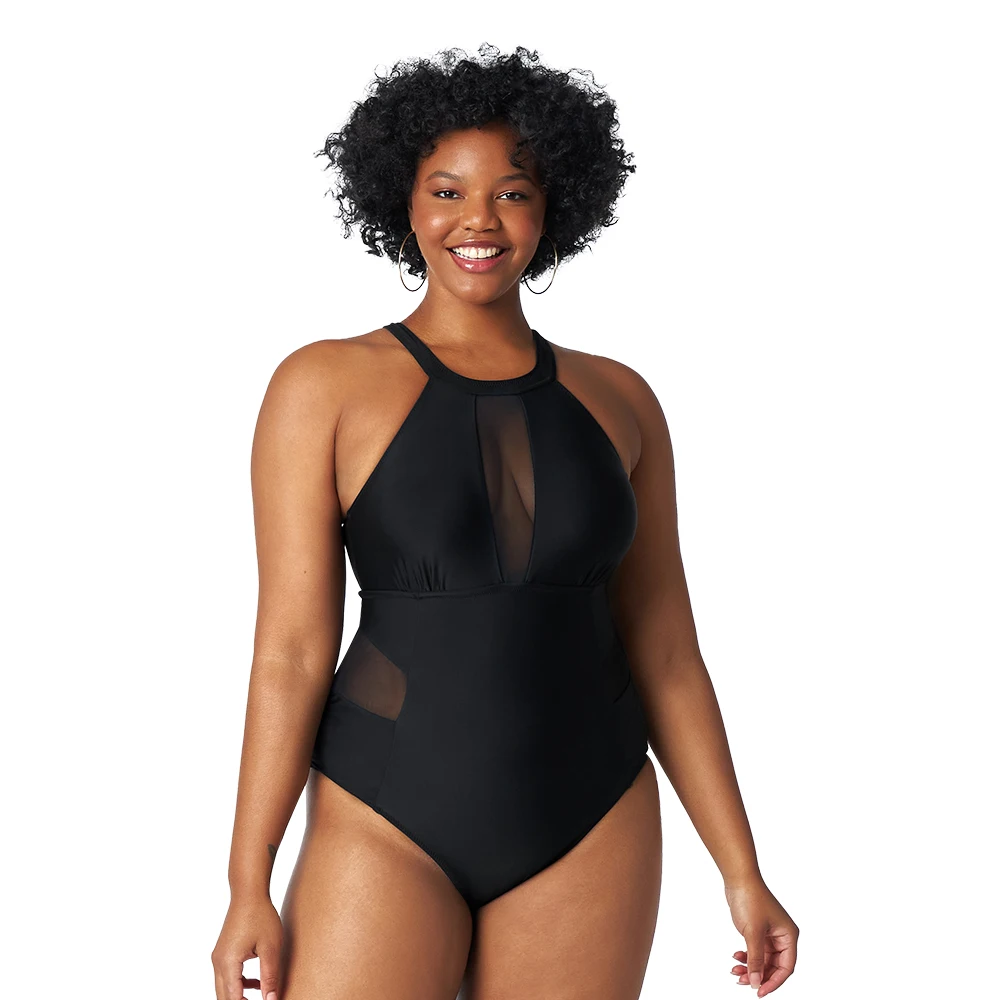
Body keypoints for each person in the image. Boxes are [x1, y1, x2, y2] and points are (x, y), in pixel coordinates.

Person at [212, 43, 799, 1000]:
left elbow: (666, 651)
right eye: (446, 191)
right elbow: (289, 650)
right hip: (384, 813)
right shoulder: (323, 386)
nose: (477, 220)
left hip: (592, 818)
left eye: (511, 194)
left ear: (553, 207)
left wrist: (743, 871)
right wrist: (249, 881)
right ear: (402, 204)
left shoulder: (622, 401)